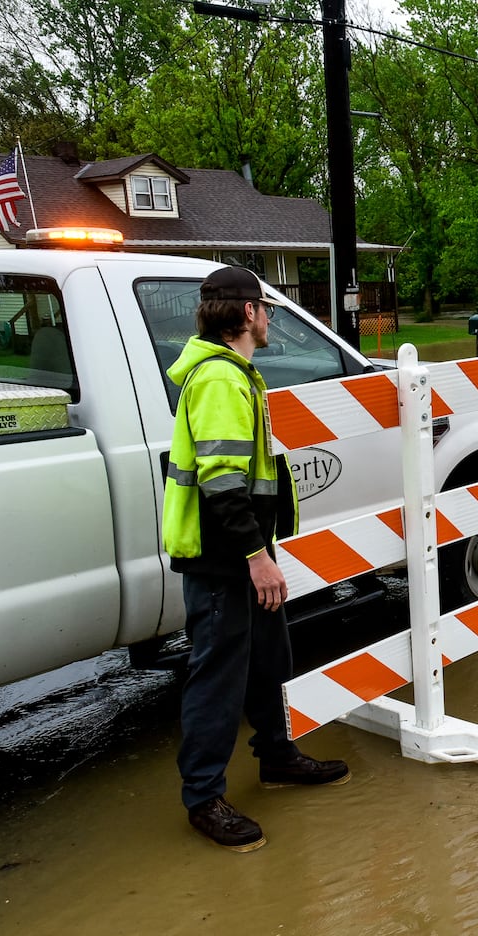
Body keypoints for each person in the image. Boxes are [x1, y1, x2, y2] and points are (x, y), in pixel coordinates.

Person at [162, 265, 349, 853]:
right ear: (247, 313)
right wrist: (255, 555)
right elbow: (220, 480)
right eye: (266, 309)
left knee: (270, 656)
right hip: (224, 558)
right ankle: (203, 799)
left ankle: (276, 755)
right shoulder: (220, 380)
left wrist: (262, 550)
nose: (269, 319)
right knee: (217, 676)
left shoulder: (238, 373)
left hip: (245, 552)